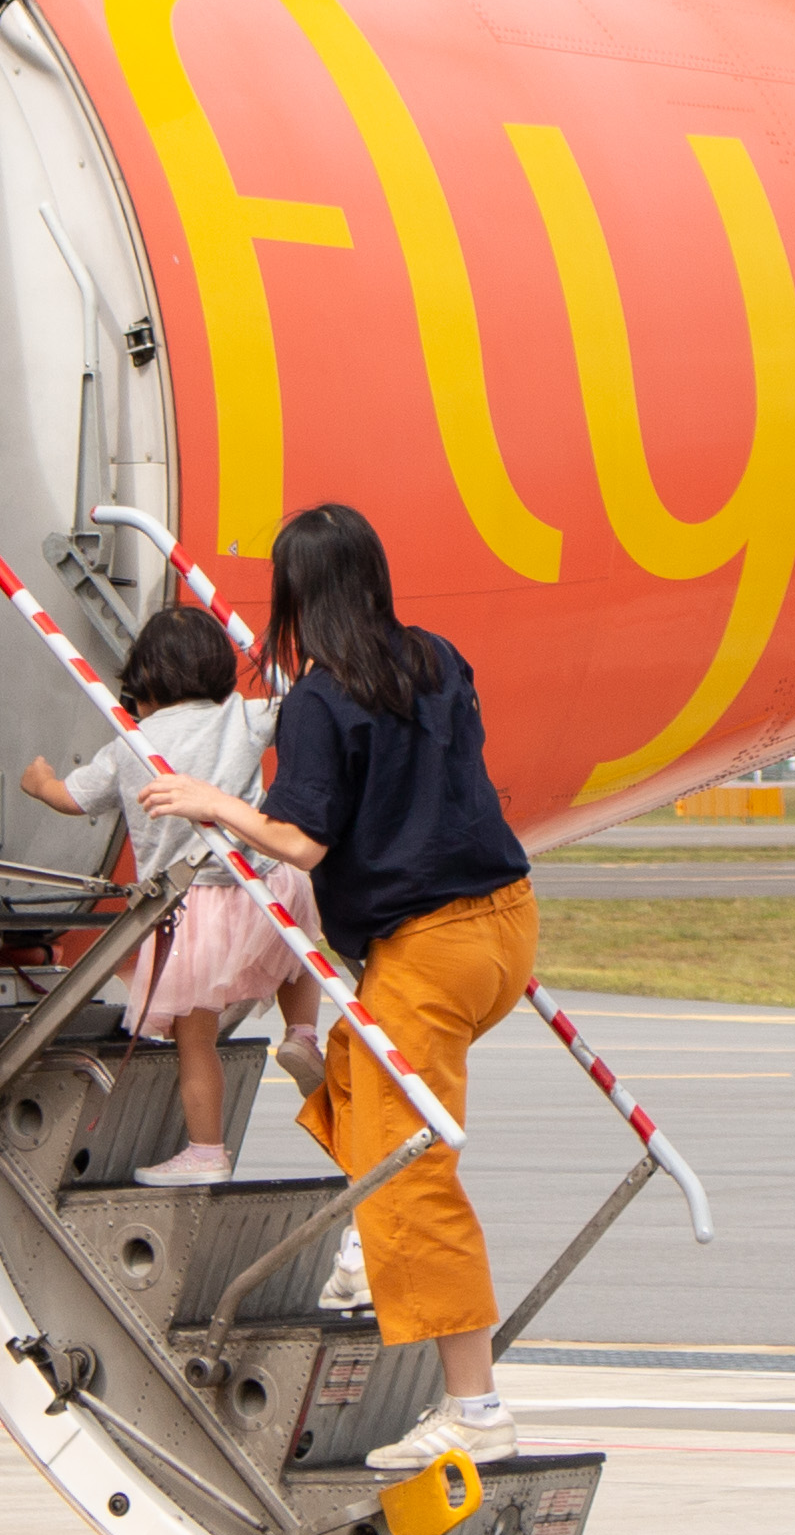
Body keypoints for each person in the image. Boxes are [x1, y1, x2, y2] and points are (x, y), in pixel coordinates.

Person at [139, 501, 539, 1475]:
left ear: (294, 597)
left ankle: (475, 1406)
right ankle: (372, 1244)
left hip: (425, 948)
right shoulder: (435, 657)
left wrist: (211, 801)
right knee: (358, 1066)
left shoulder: (322, 699)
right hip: (506, 928)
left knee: (412, 1173)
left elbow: (301, 841)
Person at [18, 604, 316, 1190]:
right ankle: (301, 1034)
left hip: (192, 907)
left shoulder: (134, 743)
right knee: (296, 952)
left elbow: (75, 799)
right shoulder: (244, 715)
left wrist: (40, 782)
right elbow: (302, 706)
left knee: (194, 1038)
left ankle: (207, 1148)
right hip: (262, 885)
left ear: (143, 682)